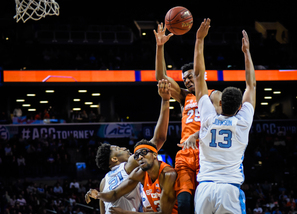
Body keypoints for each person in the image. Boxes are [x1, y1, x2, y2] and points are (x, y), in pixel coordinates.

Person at [153, 22, 222, 214]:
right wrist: (160, 46)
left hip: (207, 152)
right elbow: (161, 78)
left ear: (201, 76)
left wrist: (197, 135)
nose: (188, 81)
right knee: (183, 203)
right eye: (185, 80)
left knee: (204, 204)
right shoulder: (185, 97)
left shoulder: (215, 96)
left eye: (191, 77)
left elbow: (219, 123)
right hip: (185, 153)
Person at [193, 18, 256, 213]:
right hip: (228, 189)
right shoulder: (242, 122)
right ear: (240, 107)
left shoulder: (208, 119)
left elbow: (197, 76)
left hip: (204, 188)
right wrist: (246, 53)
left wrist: (199, 40)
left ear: (218, 104)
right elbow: (251, 85)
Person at [85, 79, 174, 213]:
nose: (125, 148)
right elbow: (159, 139)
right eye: (118, 149)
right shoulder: (128, 166)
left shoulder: (103, 182)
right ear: (114, 160)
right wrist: (165, 101)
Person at [86, 140, 178, 214]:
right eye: (136, 155)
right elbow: (158, 139)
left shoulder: (104, 181)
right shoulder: (135, 171)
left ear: (155, 154)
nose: (140, 157)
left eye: (143, 152)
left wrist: (99, 195)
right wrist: (98, 195)